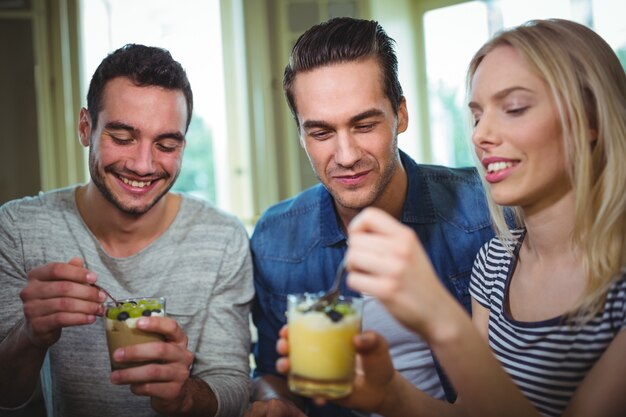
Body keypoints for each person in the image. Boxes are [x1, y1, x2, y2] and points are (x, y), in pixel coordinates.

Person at [276, 18, 626, 416]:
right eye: (477, 114)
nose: (479, 135)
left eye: (514, 108)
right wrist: (391, 394)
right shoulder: (495, 263)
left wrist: (439, 317)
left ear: (592, 119)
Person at [246, 17, 494, 417]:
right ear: (301, 135)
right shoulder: (275, 239)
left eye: (364, 125)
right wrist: (275, 402)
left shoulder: (485, 212)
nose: (345, 156)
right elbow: (271, 374)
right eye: (321, 133)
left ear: (401, 114)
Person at [0, 44, 254, 417]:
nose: (143, 164)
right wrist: (31, 334)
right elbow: (6, 396)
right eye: (122, 138)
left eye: (166, 144)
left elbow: (232, 384)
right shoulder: (18, 229)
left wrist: (184, 397)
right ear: (86, 128)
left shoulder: (223, 238)